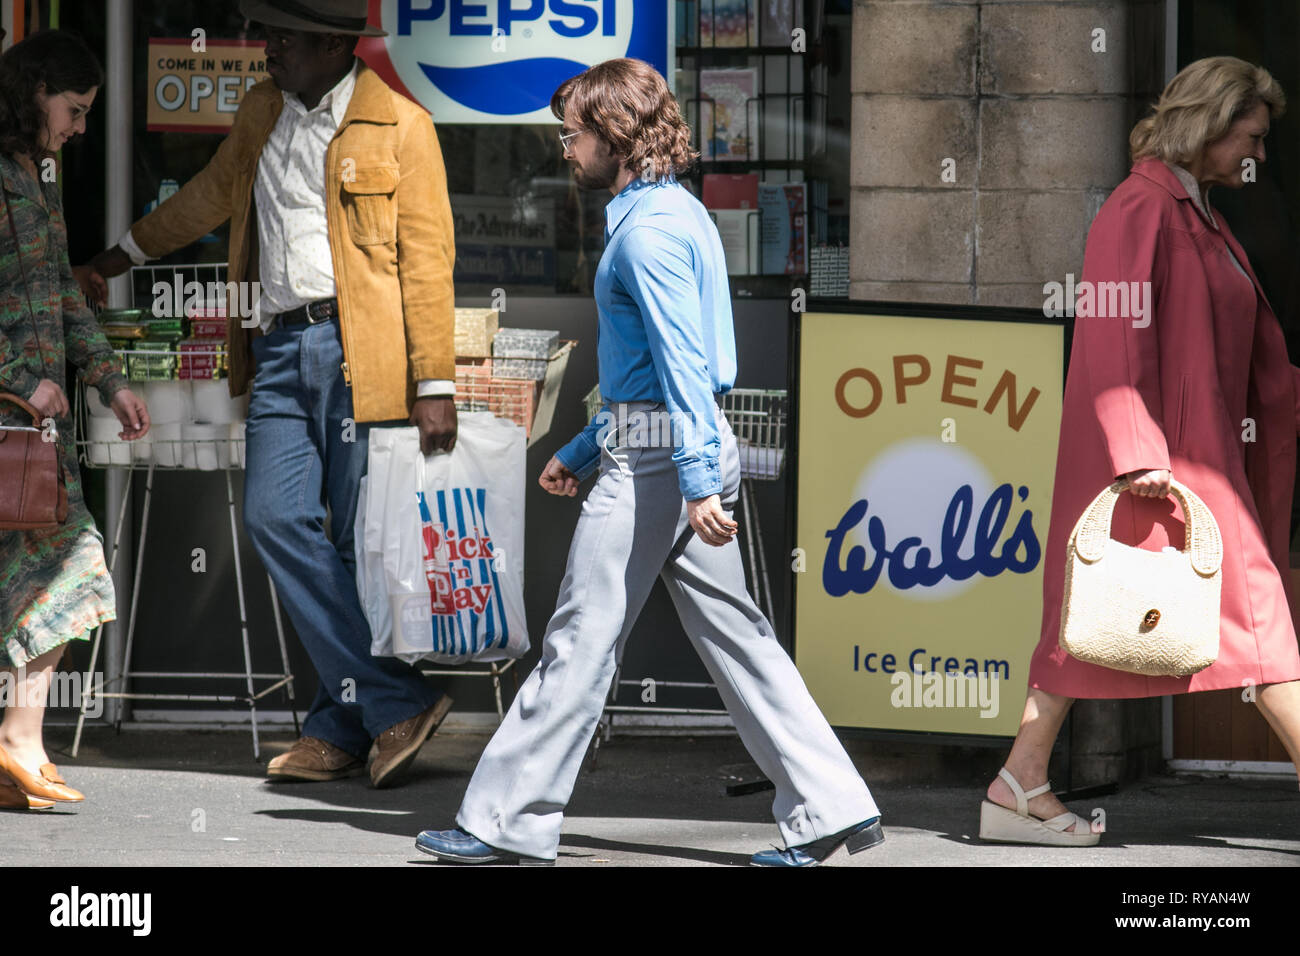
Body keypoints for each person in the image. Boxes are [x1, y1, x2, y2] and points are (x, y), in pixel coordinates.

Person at [415, 58, 882, 867]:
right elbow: (651, 368)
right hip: (663, 454)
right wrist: (582, 448)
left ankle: (504, 821)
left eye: (574, 134)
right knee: (740, 639)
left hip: (661, 466)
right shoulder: (672, 212)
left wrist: (695, 479)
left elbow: (682, 365)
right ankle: (830, 806)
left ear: (615, 133)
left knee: (579, 640)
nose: (565, 150)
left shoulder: (650, 231)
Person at [89, 0, 458, 789]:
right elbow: (208, 194)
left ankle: (337, 726)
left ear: (333, 44)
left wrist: (435, 382)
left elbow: (427, 262)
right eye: (266, 32)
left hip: (366, 355)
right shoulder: (261, 110)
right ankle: (395, 702)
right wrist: (120, 257)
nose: (267, 47)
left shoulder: (400, 125)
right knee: (273, 518)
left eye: (284, 35)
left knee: (359, 549)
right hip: (279, 346)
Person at [980, 56, 1300, 846]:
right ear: (1209, 123)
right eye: (1250, 137)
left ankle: (1018, 783)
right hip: (1166, 465)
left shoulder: (1196, 210)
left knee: (1084, 626)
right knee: (1264, 633)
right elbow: (1113, 333)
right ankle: (1016, 787)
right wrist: (1134, 453)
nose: (1258, 155)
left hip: (1192, 458)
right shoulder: (1142, 206)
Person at [0, 30, 150, 811]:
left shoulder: (37, 172)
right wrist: (22, 377)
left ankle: (20, 740)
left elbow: (62, 290)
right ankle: (19, 741)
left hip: (29, 429)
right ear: (33, 92)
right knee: (64, 562)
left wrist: (109, 381)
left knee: (69, 564)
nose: (80, 126)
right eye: (74, 108)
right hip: (17, 413)